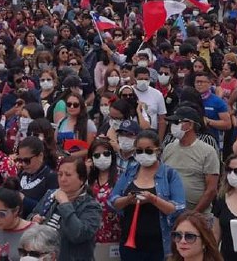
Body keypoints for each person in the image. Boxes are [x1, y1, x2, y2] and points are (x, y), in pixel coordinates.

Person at [110, 129, 186, 260]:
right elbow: (113, 201)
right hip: (129, 244)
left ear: (158, 150)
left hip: (160, 245)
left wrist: (153, 200)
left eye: (149, 150)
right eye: (139, 151)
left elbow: (178, 208)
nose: (143, 154)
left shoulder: (170, 174)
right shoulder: (129, 173)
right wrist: (128, 200)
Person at [30, 156, 102, 261]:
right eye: (60, 174)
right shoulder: (50, 194)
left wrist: (65, 204)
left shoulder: (91, 206)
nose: (63, 179)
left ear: (81, 179)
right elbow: (31, 215)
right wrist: (33, 219)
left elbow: (78, 235)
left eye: (68, 175)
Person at [161, 106, 220, 214]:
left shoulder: (208, 151)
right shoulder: (169, 148)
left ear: (190, 125)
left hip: (198, 216)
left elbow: (211, 190)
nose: (173, 126)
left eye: (177, 122)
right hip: (169, 213)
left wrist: (193, 214)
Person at [87, 137, 120, 261]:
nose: (102, 157)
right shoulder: (88, 179)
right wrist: (86, 171)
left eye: (106, 153)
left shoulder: (121, 177)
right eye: (97, 155)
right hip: (91, 237)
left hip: (115, 237)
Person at [17, 136, 59, 217]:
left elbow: (49, 208)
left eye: (27, 161)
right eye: (20, 160)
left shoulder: (51, 177)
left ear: (40, 156)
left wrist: (24, 200)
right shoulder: (22, 173)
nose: (23, 164)